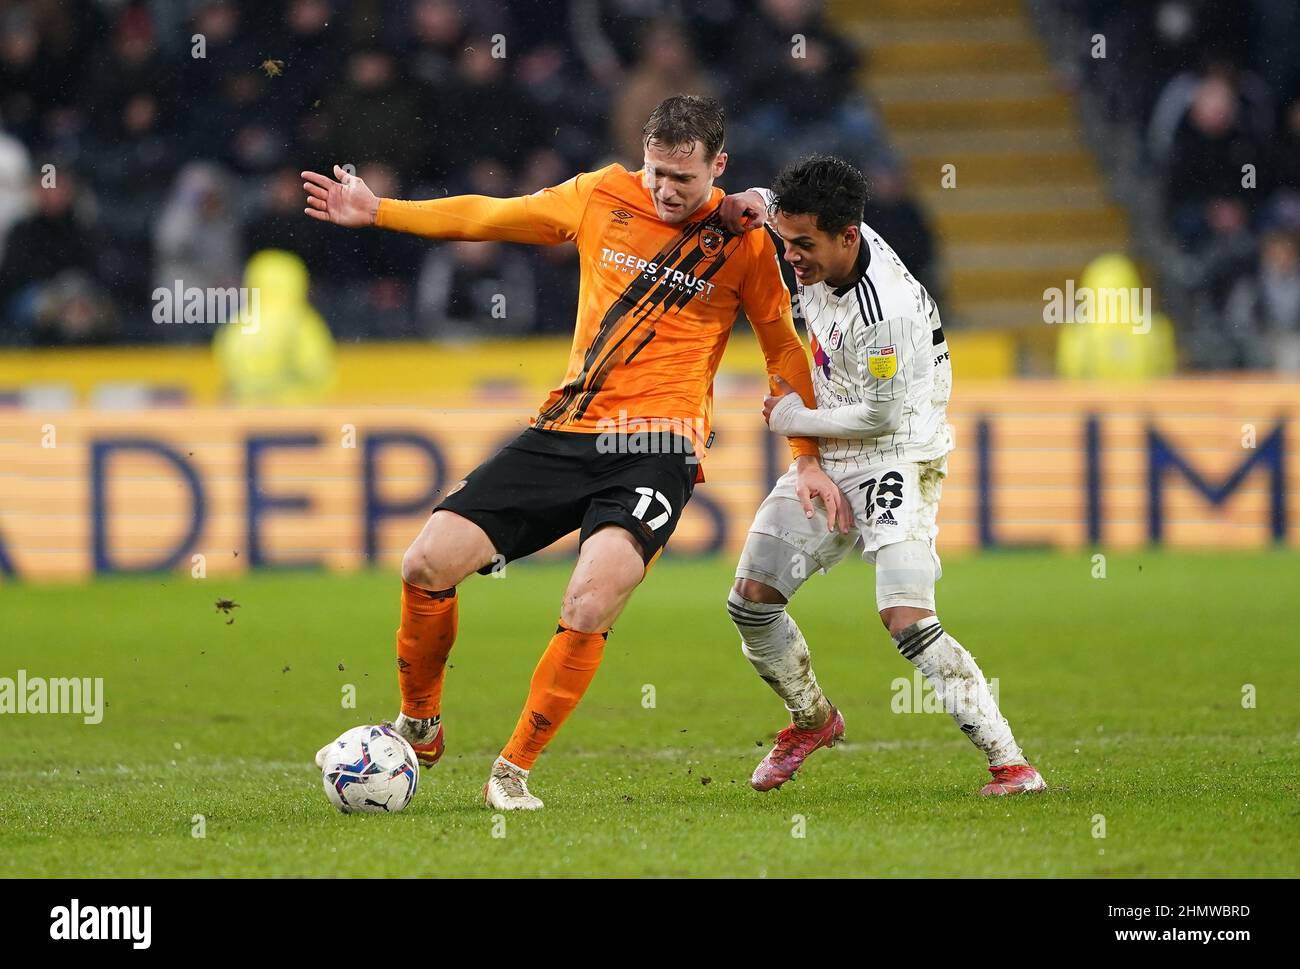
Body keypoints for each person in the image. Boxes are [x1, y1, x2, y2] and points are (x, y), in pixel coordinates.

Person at [302, 95, 849, 809]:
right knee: (425, 563)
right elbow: (490, 214)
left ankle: (512, 769)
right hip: (563, 430)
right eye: (656, 171)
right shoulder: (599, 196)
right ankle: (422, 721)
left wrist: (806, 451)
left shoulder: (743, 243)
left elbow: (785, 349)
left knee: (589, 601)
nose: (665, 189)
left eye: (683, 178)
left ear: (718, 166)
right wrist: (383, 211)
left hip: (656, 450)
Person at [719, 155, 1046, 796]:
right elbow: (768, 202)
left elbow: (880, 413)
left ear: (848, 236)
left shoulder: (884, 313)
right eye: (785, 241)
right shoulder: (818, 237)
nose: (792, 258)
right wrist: (749, 199)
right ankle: (811, 720)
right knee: (751, 602)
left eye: (804, 245)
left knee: (905, 615)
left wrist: (794, 416)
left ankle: (1011, 764)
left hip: (897, 452)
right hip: (835, 445)